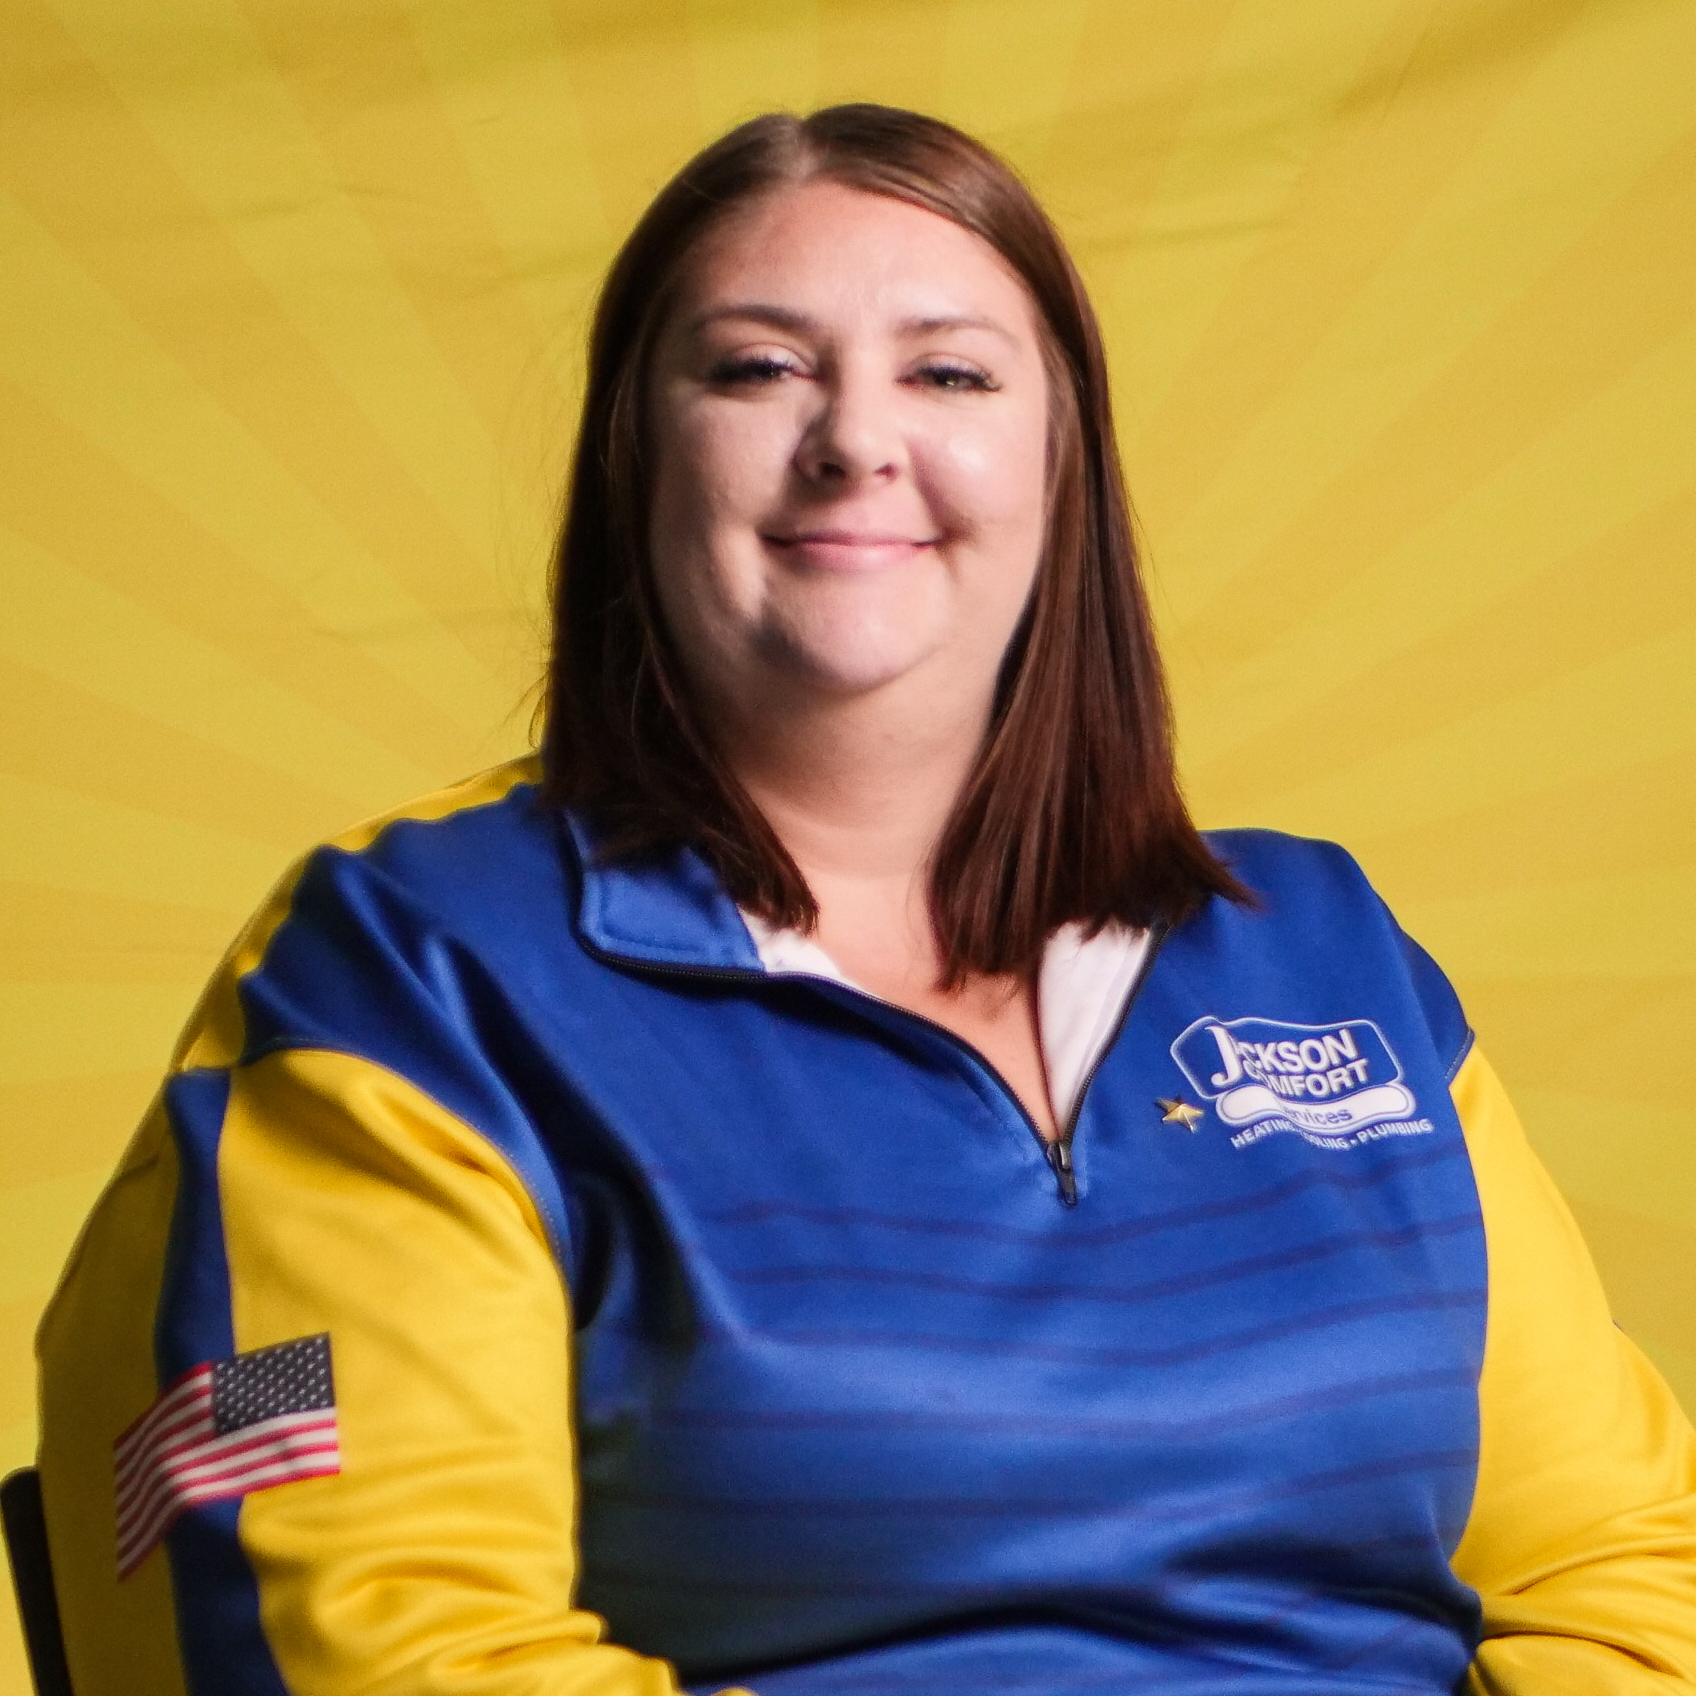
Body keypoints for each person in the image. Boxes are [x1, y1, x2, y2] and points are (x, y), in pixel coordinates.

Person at [34, 105, 1696, 1696]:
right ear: (633, 459)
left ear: (1065, 464)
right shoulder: (412, 977)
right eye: (759, 368)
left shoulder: (1330, 961)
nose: (856, 441)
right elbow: (370, 1648)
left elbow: (1625, 1559)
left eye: (950, 370)